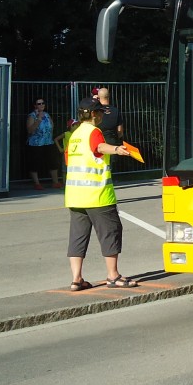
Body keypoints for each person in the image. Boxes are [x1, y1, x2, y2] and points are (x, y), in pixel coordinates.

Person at [65, 99, 136, 290]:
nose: (103, 116)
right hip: (97, 195)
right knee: (110, 232)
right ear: (95, 114)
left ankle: (76, 279)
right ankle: (113, 276)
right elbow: (98, 147)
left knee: (78, 236)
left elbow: (67, 159)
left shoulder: (75, 134)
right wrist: (116, 149)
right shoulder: (94, 132)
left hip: (75, 196)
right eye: (101, 113)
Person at [26, 97, 61, 190]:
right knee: (35, 163)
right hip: (36, 144)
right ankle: (36, 183)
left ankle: (55, 182)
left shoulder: (47, 114)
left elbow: (52, 126)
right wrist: (38, 120)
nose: (41, 105)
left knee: (53, 162)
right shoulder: (32, 116)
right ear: (35, 106)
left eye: (43, 103)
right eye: (39, 104)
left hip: (48, 142)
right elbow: (30, 130)